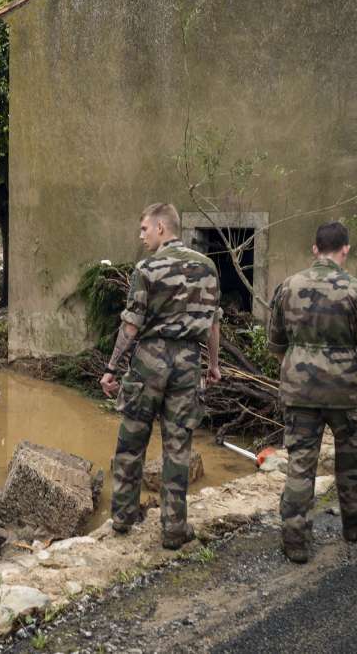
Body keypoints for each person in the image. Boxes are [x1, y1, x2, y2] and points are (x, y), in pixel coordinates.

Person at [99, 203, 222, 550]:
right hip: (188, 362)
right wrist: (213, 365)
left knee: (132, 441)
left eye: (144, 229)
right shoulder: (208, 267)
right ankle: (174, 527)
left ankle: (123, 517)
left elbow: (131, 326)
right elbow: (213, 323)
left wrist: (111, 368)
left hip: (150, 360)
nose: (142, 236)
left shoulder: (147, 268)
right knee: (178, 447)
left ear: (161, 228)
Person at [267, 221, 357, 564]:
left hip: (299, 389)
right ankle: (356, 522)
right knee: (351, 457)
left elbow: (276, 343)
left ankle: (295, 539)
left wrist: (296, 369)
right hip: (344, 390)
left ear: (315, 249)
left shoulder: (288, 287)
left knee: (300, 462)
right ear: (345, 249)